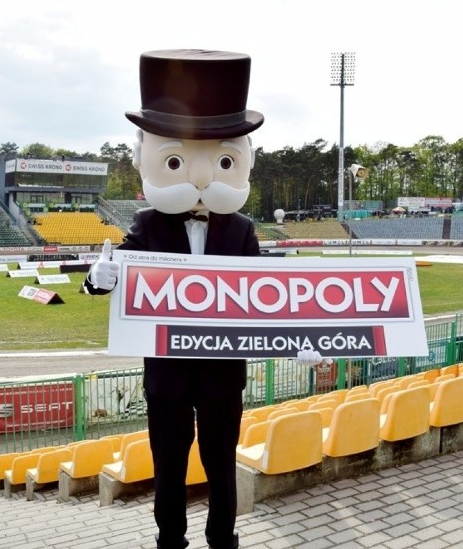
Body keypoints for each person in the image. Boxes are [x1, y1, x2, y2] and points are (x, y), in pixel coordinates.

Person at [84, 49, 320, 549]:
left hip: (221, 373)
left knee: (220, 464)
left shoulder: (241, 230)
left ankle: (222, 539)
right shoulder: (148, 224)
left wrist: (306, 330)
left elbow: (266, 298)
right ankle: (170, 539)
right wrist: (97, 279)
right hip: (167, 374)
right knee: (168, 465)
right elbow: (118, 273)